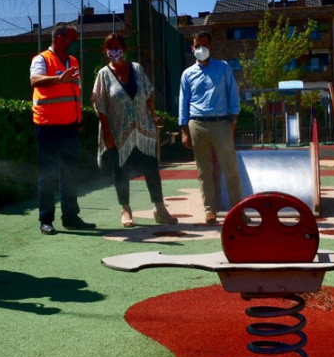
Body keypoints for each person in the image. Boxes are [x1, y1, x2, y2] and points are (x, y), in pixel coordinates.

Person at [92, 34, 177, 227]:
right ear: (106, 51)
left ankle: (160, 209)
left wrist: (154, 119)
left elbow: (147, 94)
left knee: (151, 168)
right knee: (120, 170)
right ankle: (126, 210)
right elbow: (100, 104)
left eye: (117, 46)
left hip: (143, 129)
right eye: (110, 47)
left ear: (124, 48)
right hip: (117, 132)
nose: (114, 50)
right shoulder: (103, 74)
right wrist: (106, 132)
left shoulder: (137, 68)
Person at [30, 23, 97, 234]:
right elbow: (35, 80)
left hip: (70, 126)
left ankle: (70, 216)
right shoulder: (41, 59)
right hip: (47, 126)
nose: (75, 43)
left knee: (70, 173)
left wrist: (78, 118)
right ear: (59, 38)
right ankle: (45, 220)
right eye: (72, 39)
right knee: (47, 174)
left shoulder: (74, 61)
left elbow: (74, 93)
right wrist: (59, 78)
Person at [179, 31, 242, 224]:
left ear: (211, 47)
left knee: (230, 169)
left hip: (222, 123)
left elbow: (233, 94)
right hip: (197, 124)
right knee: (204, 171)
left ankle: (238, 210)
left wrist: (234, 121)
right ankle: (209, 211)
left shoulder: (223, 68)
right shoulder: (187, 74)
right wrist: (184, 130)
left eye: (204, 45)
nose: (201, 49)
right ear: (192, 48)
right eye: (197, 46)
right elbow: (184, 101)